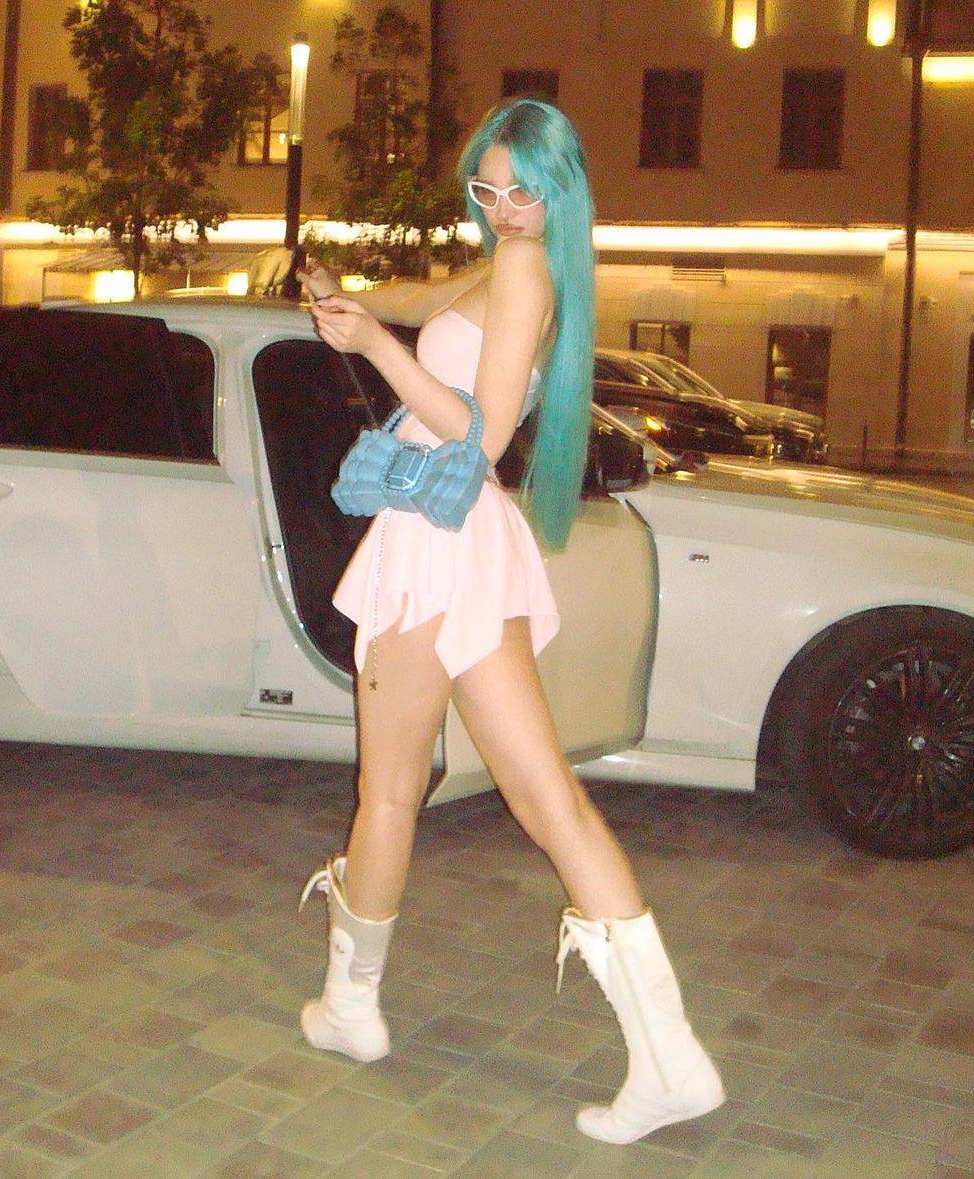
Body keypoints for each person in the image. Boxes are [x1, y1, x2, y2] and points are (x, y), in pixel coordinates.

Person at [296, 97, 724, 1146]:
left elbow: (476, 437)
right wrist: (346, 293)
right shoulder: (508, 261)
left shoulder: (526, 265)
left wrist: (376, 348)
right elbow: (422, 294)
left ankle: (352, 1006)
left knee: (392, 792)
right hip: (459, 545)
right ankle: (669, 1058)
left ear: (559, 190)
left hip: (437, 537)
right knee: (543, 799)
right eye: (484, 189)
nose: (501, 208)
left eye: (521, 191)